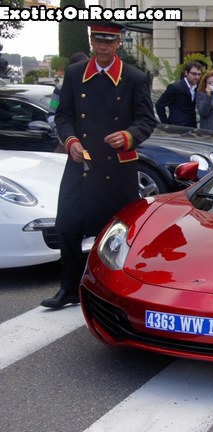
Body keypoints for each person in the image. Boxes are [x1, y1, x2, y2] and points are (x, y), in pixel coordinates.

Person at [41, 21, 157, 309]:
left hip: (116, 168)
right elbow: (63, 115)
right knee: (67, 226)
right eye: (98, 41)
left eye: (109, 42)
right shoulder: (74, 73)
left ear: (118, 44)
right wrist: (70, 141)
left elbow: (147, 120)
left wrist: (129, 135)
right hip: (81, 164)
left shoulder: (133, 77)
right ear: (92, 42)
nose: (103, 47)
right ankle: (68, 288)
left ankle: (116, 291)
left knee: (119, 233)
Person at [47, 52, 89, 133]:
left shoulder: (92, 86)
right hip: (68, 139)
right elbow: (51, 114)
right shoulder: (60, 90)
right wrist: (59, 131)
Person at [155, 61, 202, 128]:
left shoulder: (197, 88)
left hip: (192, 128)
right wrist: (166, 124)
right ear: (186, 73)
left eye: (199, 74)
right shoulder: (175, 87)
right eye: (194, 74)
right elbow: (159, 105)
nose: (197, 77)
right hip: (176, 128)